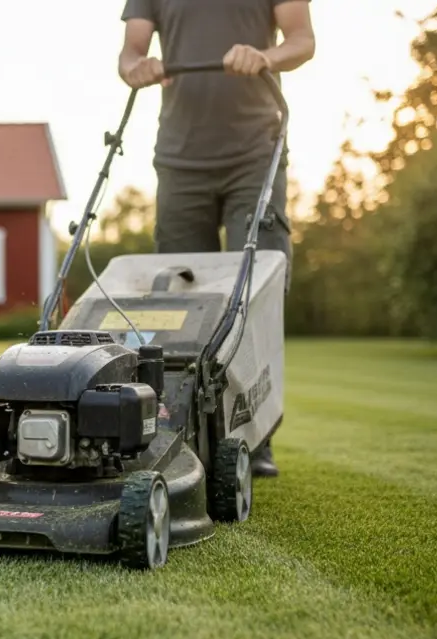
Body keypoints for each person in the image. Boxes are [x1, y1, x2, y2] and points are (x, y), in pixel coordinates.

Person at [118, 0, 315, 478]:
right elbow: (129, 54)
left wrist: (264, 56)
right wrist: (139, 67)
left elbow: (302, 41)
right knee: (178, 299)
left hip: (254, 151)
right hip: (180, 158)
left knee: (255, 288)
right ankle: (177, 429)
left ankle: (256, 435)